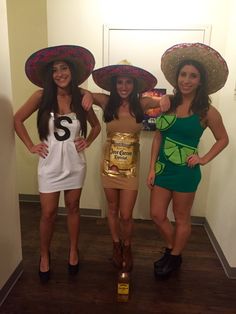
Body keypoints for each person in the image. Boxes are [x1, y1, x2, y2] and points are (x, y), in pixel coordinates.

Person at [14, 45, 101, 282]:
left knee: (73, 208)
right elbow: (17, 120)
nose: (60, 73)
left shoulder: (81, 96)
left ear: (72, 70)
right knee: (48, 213)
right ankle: (44, 255)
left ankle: (73, 250)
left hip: (75, 164)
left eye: (64, 68)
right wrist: (31, 145)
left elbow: (96, 126)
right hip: (50, 166)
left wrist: (88, 142)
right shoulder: (42, 96)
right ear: (49, 75)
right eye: (55, 70)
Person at [147, 42, 229, 278]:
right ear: (177, 77)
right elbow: (158, 137)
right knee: (157, 214)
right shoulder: (168, 103)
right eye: (183, 74)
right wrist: (152, 168)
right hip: (163, 169)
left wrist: (203, 158)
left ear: (200, 81)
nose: (186, 80)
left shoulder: (206, 111)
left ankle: (173, 257)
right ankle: (174, 250)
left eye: (193, 76)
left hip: (186, 172)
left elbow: (223, 139)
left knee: (182, 217)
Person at [91, 60, 169, 272]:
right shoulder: (107, 102)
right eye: (120, 82)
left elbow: (169, 99)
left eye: (128, 82)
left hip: (131, 169)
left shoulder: (142, 104)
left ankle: (128, 246)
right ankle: (116, 245)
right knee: (113, 209)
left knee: (126, 214)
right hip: (109, 166)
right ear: (114, 84)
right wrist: (87, 97)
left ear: (134, 85)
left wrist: (165, 99)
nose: (124, 87)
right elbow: (81, 92)